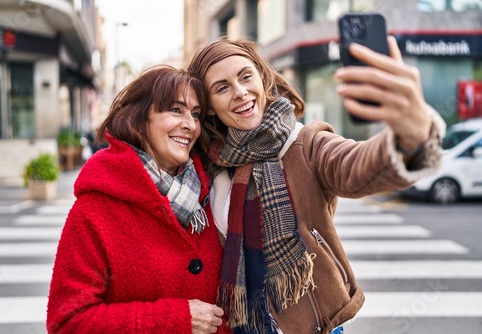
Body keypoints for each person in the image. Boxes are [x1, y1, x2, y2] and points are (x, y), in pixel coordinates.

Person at [187, 37, 445, 334]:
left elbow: (358, 166)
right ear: (208, 107)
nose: (240, 92)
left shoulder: (305, 144)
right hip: (241, 326)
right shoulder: (210, 165)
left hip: (313, 326)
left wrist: (411, 136)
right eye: (222, 87)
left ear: (261, 76)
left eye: (246, 76)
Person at [47, 65, 231, 334]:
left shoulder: (212, 191)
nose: (190, 125)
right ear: (139, 119)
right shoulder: (96, 208)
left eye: (195, 114)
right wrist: (175, 319)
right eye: (175, 110)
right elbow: (67, 322)